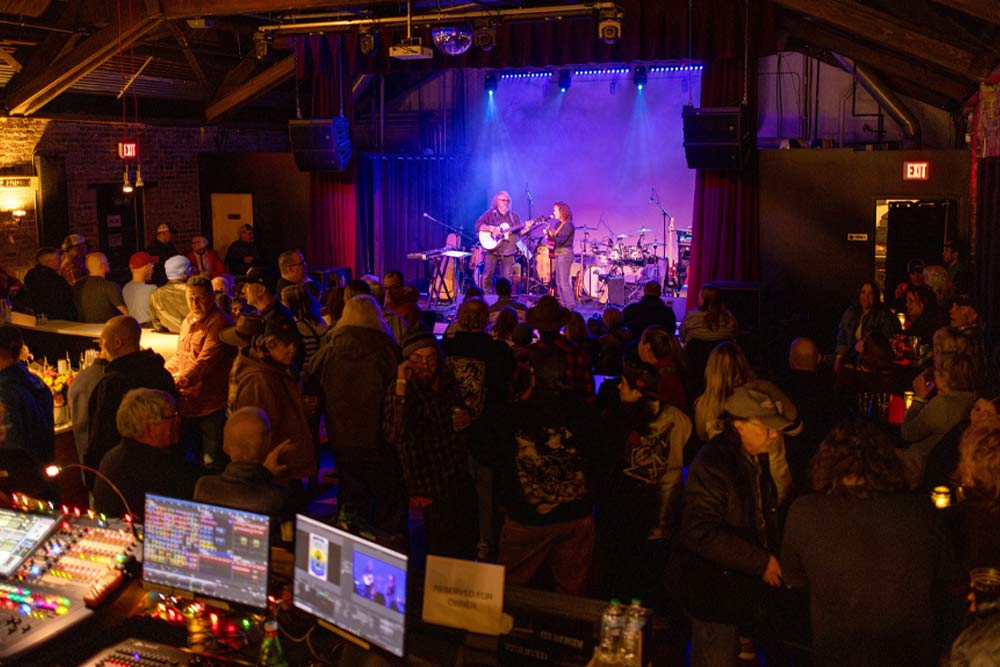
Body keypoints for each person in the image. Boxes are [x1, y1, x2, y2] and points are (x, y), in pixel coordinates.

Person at [781, 419, 965, 667]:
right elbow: (949, 577)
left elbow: (794, 578)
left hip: (838, 653)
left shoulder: (804, 512)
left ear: (825, 463)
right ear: (887, 462)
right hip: (909, 654)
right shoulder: (922, 511)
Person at [668, 381, 803, 667]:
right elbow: (698, 531)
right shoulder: (714, 464)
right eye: (766, 427)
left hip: (734, 587)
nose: (774, 434)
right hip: (710, 591)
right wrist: (760, 561)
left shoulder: (754, 455)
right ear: (739, 425)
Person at [496, 345, 605, 594]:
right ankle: (566, 619)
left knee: (511, 589)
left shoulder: (514, 414)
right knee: (572, 588)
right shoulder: (586, 413)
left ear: (533, 374)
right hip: (576, 514)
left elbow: (496, 456)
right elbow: (599, 458)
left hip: (528, 516)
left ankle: (512, 619)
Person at [304, 295, 405, 536]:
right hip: (379, 438)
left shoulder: (330, 349)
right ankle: (387, 543)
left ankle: (351, 539)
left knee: (350, 493)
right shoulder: (388, 351)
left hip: (341, 436)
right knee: (387, 495)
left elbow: (309, 381)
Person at [599, 360, 690, 602]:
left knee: (623, 578)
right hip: (664, 512)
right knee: (651, 579)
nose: (619, 387)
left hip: (626, 516)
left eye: (624, 383)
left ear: (638, 392)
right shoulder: (679, 418)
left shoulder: (616, 421)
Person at [383, 327, 477, 559]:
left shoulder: (446, 379)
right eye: (418, 358)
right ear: (407, 360)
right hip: (428, 480)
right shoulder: (402, 389)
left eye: (431, 357)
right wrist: (401, 384)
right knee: (439, 545)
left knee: (464, 538)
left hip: (456, 473)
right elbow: (394, 434)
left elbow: (458, 409)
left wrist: (466, 417)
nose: (425, 364)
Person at [442, 297, 515, 558]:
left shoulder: (446, 348)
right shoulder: (499, 351)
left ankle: (455, 538)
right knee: (486, 491)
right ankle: (484, 541)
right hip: (487, 432)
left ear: (461, 318)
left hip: (453, 432)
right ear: (486, 320)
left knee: (454, 488)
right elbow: (507, 388)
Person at [85, 316, 177, 487]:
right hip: (164, 470)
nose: (101, 346)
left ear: (117, 342)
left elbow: (102, 435)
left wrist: (93, 478)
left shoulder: (113, 384)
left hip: (122, 475)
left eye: (103, 340)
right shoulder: (162, 374)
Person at [227, 316, 316, 483]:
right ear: (267, 345)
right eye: (284, 344)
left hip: (286, 464)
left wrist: (299, 408)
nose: (292, 349)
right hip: (274, 470)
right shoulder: (258, 380)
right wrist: (263, 472)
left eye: (294, 343)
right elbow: (251, 434)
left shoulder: (280, 368)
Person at [93, 388, 200, 521]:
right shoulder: (161, 468)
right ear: (150, 428)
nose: (178, 420)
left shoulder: (111, 457)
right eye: (172, 416)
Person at [165, 276, 236, 472]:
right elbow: (181, 357)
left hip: (210, 407)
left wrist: (172, 382)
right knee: (189, 463)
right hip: (187, 404)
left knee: (211, 464)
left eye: (200, 298)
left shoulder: (220, 323)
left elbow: (202, 365)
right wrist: (162, 372)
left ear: (211, 296)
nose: (195, 304)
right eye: (190, 299)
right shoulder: (187, 321)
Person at [899, 351, 979, 489]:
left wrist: (919, 399)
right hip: (944, 471)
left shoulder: (943, 405)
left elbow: (907, 433)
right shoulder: (976, 401)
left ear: (945, 377)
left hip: (917, 467)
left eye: (935, 370)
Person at [194, 407, 293, 517]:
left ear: (225, 447)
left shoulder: (204, 486)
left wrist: (266, 473)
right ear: (268, 445)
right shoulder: (279, 497)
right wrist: (266, 474)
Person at [512, 295, 594, 403]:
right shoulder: (577, 353)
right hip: (571, 411)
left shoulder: (526, 354)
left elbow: (514, 391)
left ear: (537, 326)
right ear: (561, 324)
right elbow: (589, 397)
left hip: (533, 411)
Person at [0, 325, 54, 464]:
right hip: (42, 466)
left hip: (15, 472)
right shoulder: (37, 382)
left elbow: (9, 443)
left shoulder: (4, 389)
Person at [833, 281, 899, 371]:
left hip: (870, 363)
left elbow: (886, 342)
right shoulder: (851, 312)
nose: (866, 296)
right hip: (849, 357)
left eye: (870, 293)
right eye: (863, 292)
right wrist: (839, 358)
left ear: (875, 296)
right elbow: (842, 338)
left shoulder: (883, 315)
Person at [475, 191, 521, 293]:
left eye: (508, 201)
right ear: (497, 201)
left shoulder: (514, 217)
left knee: (507, 279)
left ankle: (504, 299)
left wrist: (528, 227)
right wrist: (492, 229)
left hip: (508, 251)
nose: (506, 203)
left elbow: (521, 233)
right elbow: (478, 225)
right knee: (487, 276)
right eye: (503, 200)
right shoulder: (490, 214)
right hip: (492, 250)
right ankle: (487, 298)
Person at [22, 246, 76, 321]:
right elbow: (66, 302)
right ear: (48, 262)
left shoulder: (30, 277)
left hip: (38, 319)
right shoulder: (56, 280)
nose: (60, 261)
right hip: (59, 320)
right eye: (57, 259)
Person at [281, 284, 328, 368]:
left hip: (306, 371)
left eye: (283, 300)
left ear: (291, 303)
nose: (281, 303)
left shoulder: (297, 326)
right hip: (321, 369)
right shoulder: (320, 321)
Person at [72, 253, 128, 323]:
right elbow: (125, 312)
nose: (109, 263)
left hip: (84, 327)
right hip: (106, 328)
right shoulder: (110, 286)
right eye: (107, 262)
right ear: (102, 266)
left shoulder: (77, 285)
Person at [148, 255, 191, 333]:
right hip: (194, 336)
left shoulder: (155, 294)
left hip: (168, 338)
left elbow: (157, 325)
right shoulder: (194, 292)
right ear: (186, 272)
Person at [545, 201, 576, 308]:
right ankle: (563, 305)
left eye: (555, 210)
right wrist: (548, 235)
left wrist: (551, 235)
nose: (554, 212)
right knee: (558, 282)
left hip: (565, 254)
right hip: (558, 253)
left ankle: (570, 305)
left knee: (564, 282)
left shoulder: (569, 225)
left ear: (562, 211)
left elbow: (561, 240)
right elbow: (554, 239)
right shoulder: (558, 224)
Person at [122, 251, 159, 326]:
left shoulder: (126, 288)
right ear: (146, 268)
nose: (153, 271)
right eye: (152, 267)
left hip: (133, 327)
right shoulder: (152, 289)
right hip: (149, 327)